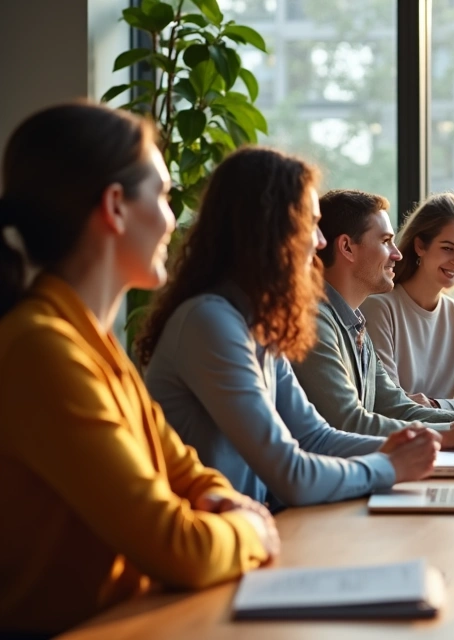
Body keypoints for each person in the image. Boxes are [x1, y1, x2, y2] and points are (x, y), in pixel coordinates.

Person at [0, 103, 275, 635]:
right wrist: (250, 531)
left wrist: (220, 501)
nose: (175, 220)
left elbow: (186, 472)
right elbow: (181, 548)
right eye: (166, 195)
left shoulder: (90, 340)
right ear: (116, 207)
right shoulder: (43, 350)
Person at [137, 148, 440, 510]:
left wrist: (403, 447)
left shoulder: (260, 325)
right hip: (215, 545)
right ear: (271, 229)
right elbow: (291, 473)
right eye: (309, 224)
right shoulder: (210, 322)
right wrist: (388, 466)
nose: (321, 241)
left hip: (253, 532)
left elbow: (315, 437)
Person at [293, 189, 454, 450]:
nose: (397, 253)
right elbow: (350, 422)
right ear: (346, 247)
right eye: (385, 241)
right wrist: (451, 434)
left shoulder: (354, 323)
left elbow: (399, 408)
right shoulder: (314, 322)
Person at [361, 192, 454, 413]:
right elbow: (390, 406)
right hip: (404, 443)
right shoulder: (379, 308)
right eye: (448, 248)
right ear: (420, 245)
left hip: (449, 443)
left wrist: (436, 405)